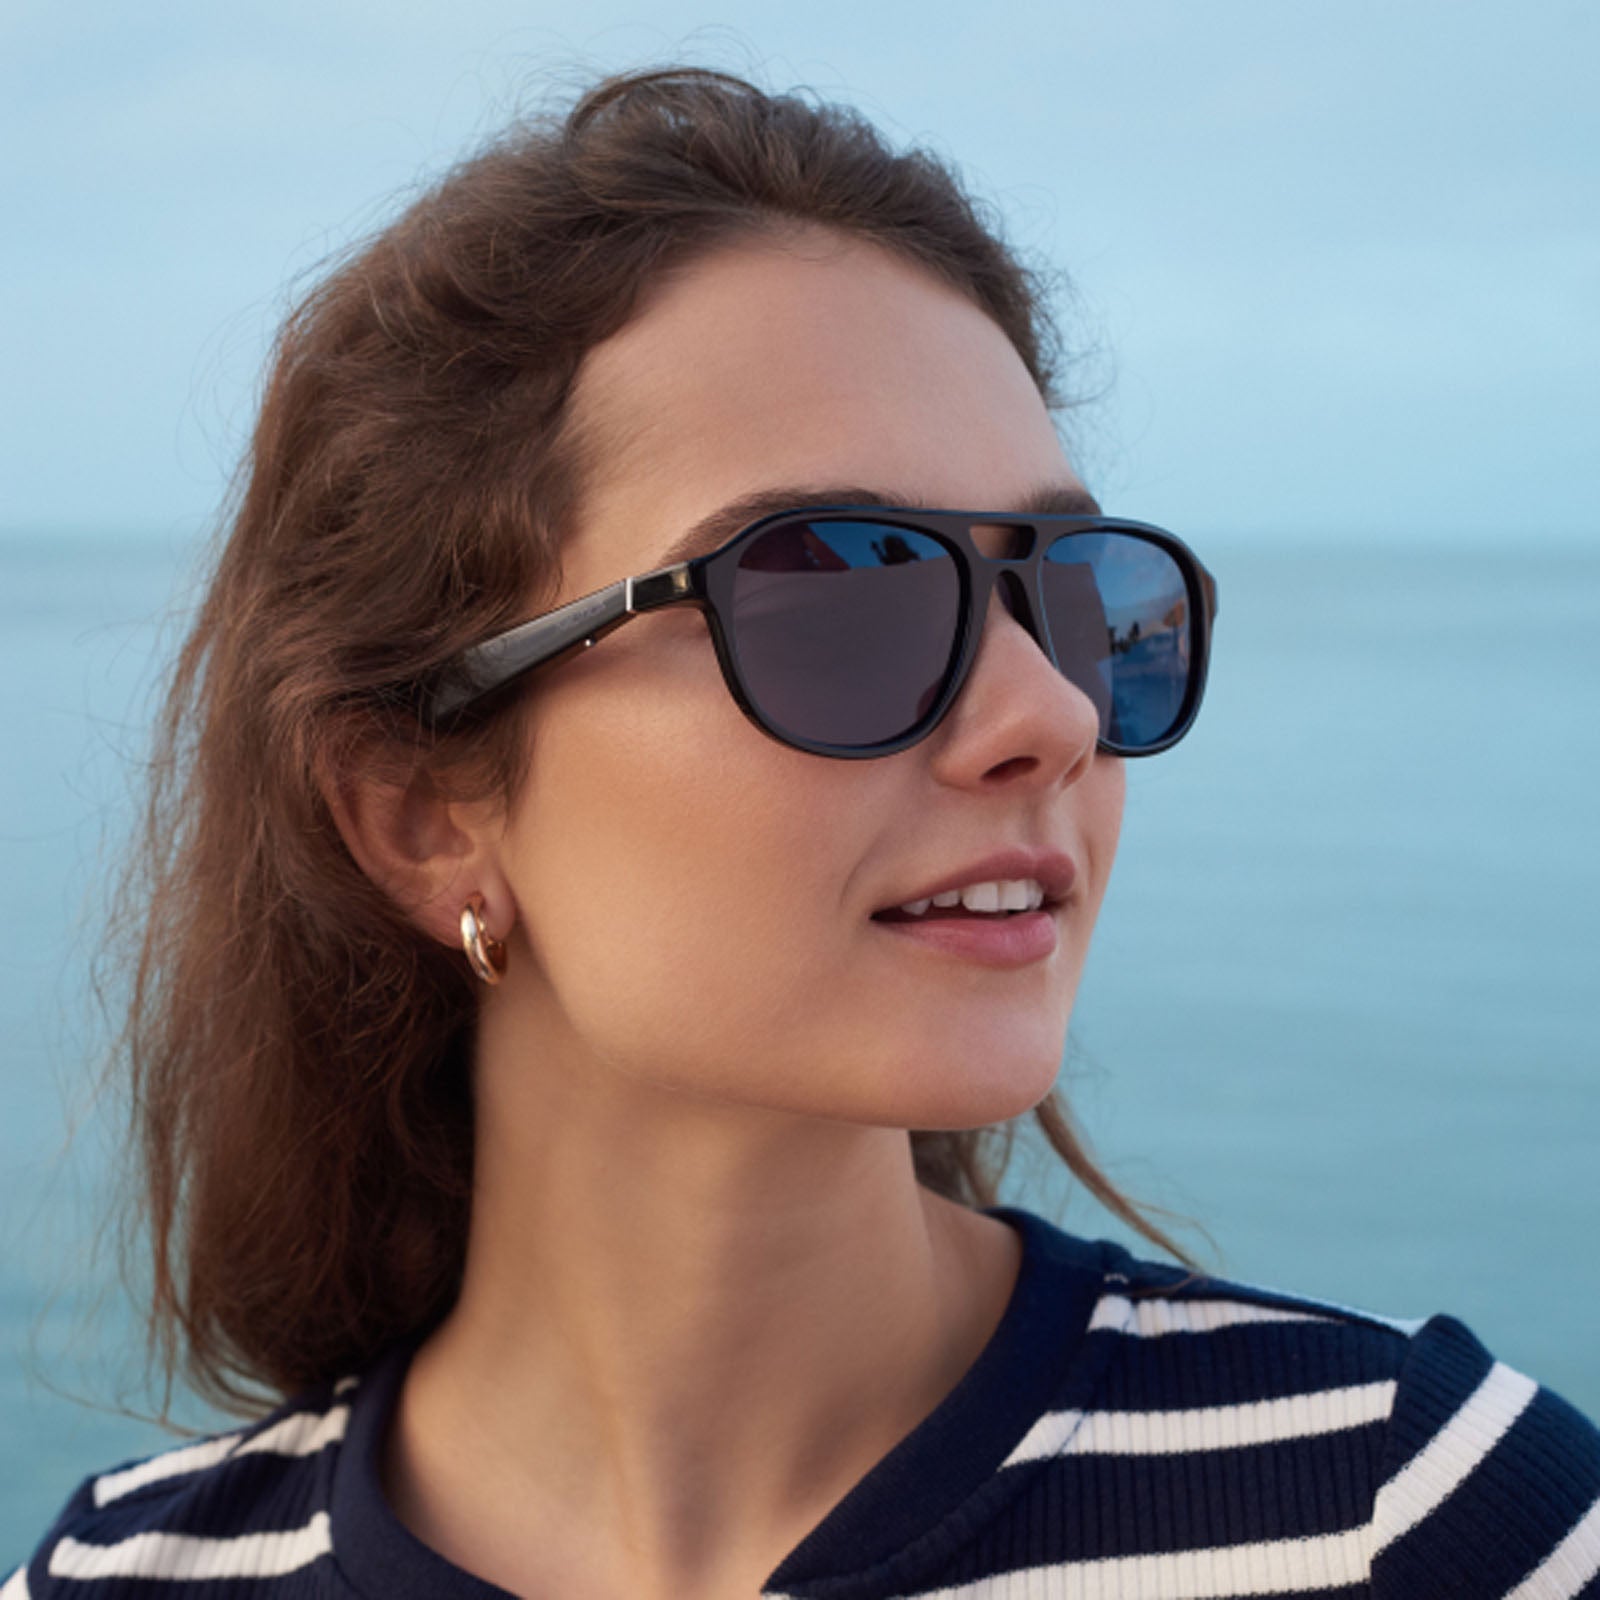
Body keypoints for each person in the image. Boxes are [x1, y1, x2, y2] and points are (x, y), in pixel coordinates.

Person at [6, 63, 1598, 1600]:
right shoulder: (124, 1584)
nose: (1049, 711)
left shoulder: (1418, 1525)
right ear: (419, 816)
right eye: (835, 590)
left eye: (1071, 593)